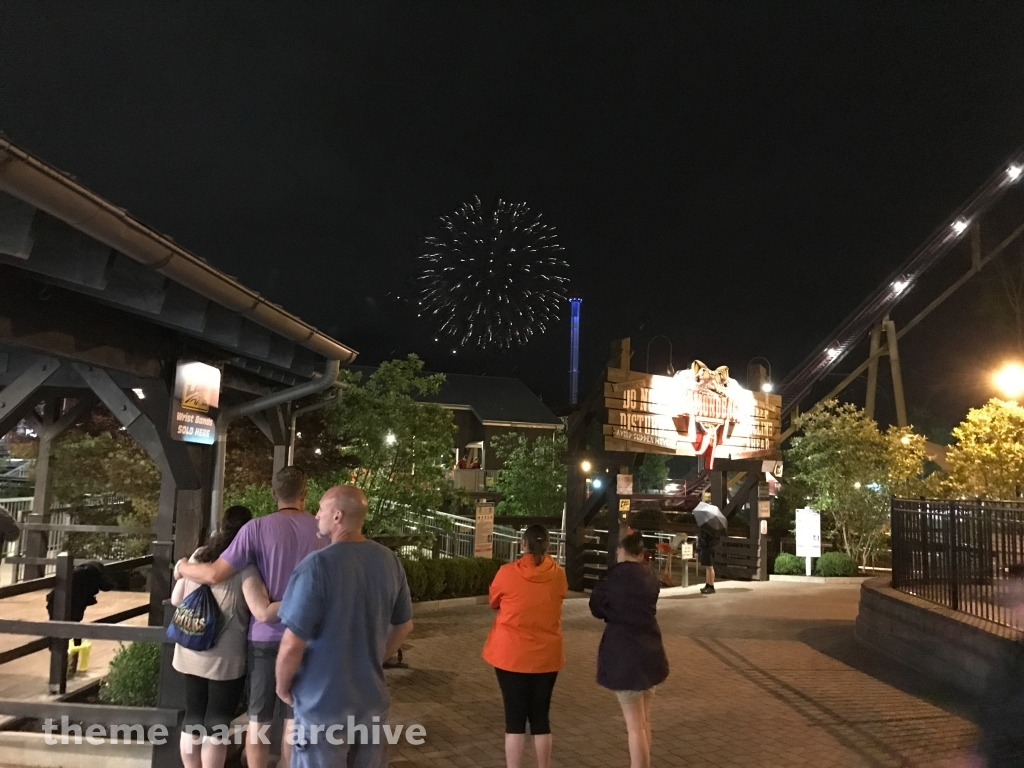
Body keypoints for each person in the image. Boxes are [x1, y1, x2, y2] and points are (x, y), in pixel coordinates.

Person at [176, 466, 325, 768]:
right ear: (305, 494)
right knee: (295, 717)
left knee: (259, 720)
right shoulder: (323, 531)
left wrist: (183, 567)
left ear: (273, 494)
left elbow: (217, 572)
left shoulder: (255, 529)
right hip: (310, 637)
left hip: (264, 639)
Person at [275, 485, 414, 768]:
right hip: (371, 704)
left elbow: (292, 644)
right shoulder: (389, 561)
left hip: (321, 706)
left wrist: (282, 686)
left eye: (322, 510)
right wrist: (373, 658)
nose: (316, 515)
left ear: (337, 516)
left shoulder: (316, 566)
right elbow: (404, 626)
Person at [172, 506, 281, 768]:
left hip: (189, 650)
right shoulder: (246, 568)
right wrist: (297, 600)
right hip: (225, 659)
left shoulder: (198, 557)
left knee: (193, 716)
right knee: (217, 722)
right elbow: (262, 612)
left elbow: (176, 599)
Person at [482, 524, 568, 768]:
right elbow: (560, 596)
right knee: (541, 717)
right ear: (548, 545)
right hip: (547, 656)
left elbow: (493, 601)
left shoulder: (506, 573)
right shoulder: (559, 574)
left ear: (523, 544)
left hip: (510, 655)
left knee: (514, 719)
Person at [589, 531, 669, 768]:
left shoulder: (614, 578)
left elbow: (596, 606)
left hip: (624, 656)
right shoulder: (650, 577)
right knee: (644, 723)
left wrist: (611, 612)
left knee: (634, 727)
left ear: (622, 551)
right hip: (651, 653)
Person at [697, 527, 719, 594]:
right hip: (708, 547)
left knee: (710, 567)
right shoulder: (711, 528)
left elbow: (704, 539)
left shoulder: (709, 528)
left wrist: (699, 548)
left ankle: (711, 585)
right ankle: (707, 584)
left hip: (708, 548)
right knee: (707, 567)